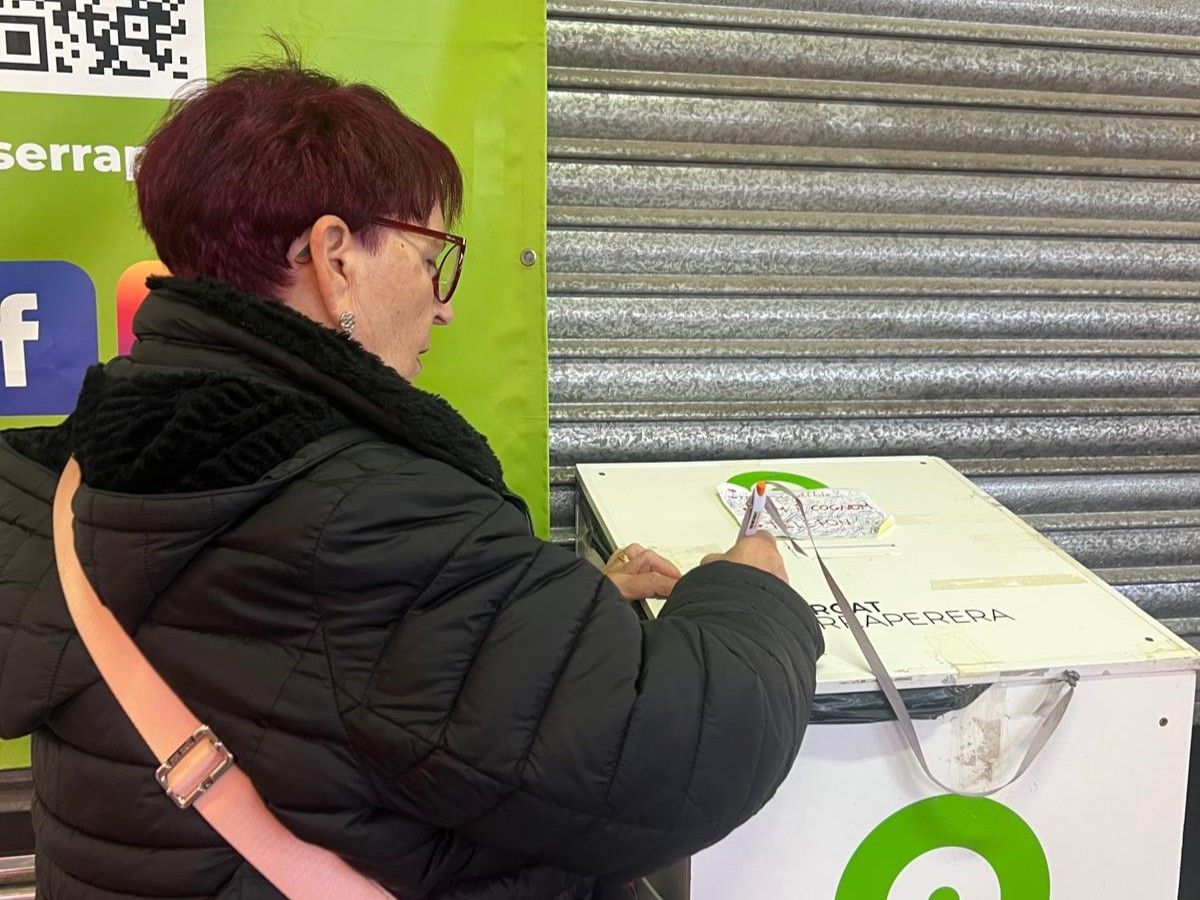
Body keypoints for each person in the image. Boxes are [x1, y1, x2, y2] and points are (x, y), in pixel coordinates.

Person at [0, 58, 823, 899]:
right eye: (432, 257)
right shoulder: (361, 515)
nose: (444, 303)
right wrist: (747, 593)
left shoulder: (102, 459)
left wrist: (566, 615)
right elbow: (672, 757)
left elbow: (315, 686)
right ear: (334, 259)